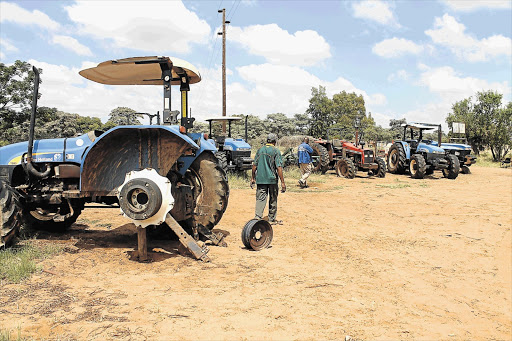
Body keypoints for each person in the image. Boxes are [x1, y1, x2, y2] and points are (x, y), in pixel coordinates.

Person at [251, 133, 286, 224]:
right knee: (273, 198)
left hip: (261, 179)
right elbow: (279, 167)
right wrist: (282, 182)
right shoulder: (276, 151)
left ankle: (257, 217)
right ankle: (271, 219)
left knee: (260, 198)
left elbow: (254, 165)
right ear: (274, 141)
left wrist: (253, 178)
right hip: (272, 179)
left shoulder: (260, 150)